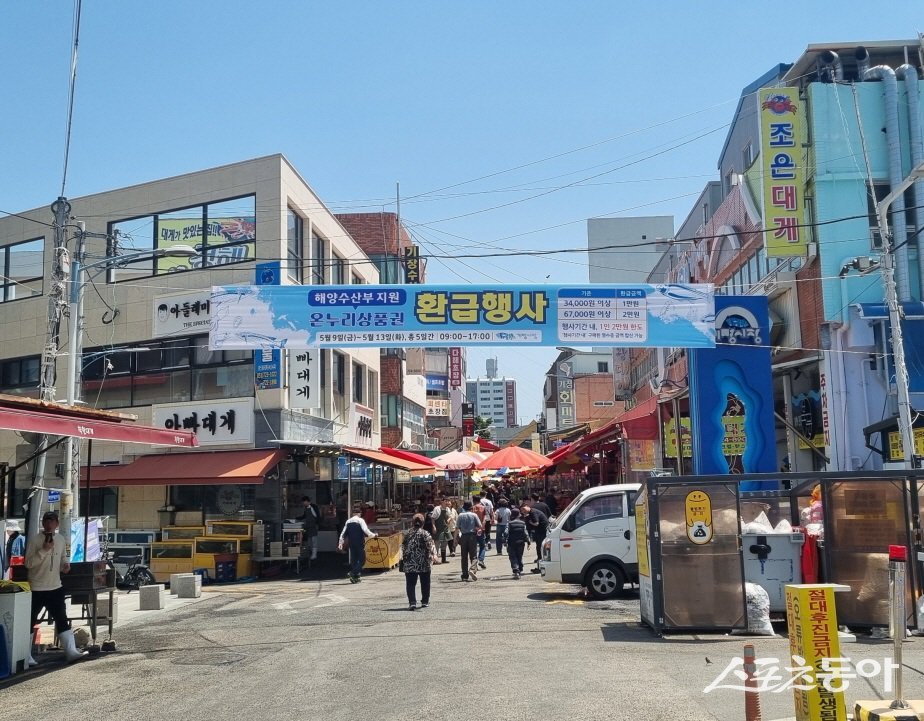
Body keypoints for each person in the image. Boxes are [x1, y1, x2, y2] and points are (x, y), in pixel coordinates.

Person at [25, 511, 87, 663]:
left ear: (57, 524)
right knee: (30, 620)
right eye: (46, 520)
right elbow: (28, 563)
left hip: (55, 586)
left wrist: (65, 566)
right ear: (42, 523)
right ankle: (25, 655)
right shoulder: (34, 540)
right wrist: (44, 550)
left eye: (52, 521)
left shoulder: (60, 539)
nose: (49, 523)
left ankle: (71, 651)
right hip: (36, 587)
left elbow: (62, 558)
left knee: (61, 618)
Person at [401, 513, 438, 610]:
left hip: (410, 562)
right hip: (423, 562)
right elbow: (430, 545)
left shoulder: (407, 533)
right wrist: (434, 555)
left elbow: (403, 547)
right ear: (422, 523)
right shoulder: (425, 533)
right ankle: (425, 601)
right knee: (425, 582)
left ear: (412, 523)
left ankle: (412, 602)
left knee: (410, 584)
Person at [338, 508, 377, 583]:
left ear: (353, 514)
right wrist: (374, 535)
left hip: (351, 543)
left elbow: (343, 533)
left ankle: (355, 578)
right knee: (362, 560)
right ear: (359, 513)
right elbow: (366, 531)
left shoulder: (348, 521)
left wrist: (340, 543)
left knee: (354, 560)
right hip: (359, 542)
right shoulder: (360, 520)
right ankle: (353, 573)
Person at [456, 501, 482, 581]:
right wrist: (475, 529)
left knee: (464, 556)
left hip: (463, 537)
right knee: (473, 555)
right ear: (471, 507)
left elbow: (457, 528)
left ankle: (464, 575)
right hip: (472, 536)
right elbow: (480, 526)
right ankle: (472, 569)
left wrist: (455, 540)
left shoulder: (460, 515)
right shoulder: (474, 515)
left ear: (463, 507)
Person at [521, 504, 549, 568]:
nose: (523, 511)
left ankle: (541, 558)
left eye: (524, 509)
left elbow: (536, 523)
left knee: (540, 545)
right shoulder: (530, 513)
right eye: (522, 511)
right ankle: (539, 557)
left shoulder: (533, 512)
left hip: (542, 530)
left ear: (528, 506)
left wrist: (530, 522)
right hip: (539, 530)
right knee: (538, 545)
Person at [506, 508, 530, 578]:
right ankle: (520, 568)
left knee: (513, 556)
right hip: (521, 543)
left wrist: (504, 541)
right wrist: (528, 541)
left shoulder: (509, 523)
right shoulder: (523, 523)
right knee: (519, 556)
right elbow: (526, 533)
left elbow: (506, 532)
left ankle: (516, 570)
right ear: (519, 515)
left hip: (511, 543)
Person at [296, 495, 321, 561]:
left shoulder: (314, 507)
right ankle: (311, 554)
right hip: (308, 526)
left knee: (314, 540)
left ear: (307, 501)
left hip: (313, 526)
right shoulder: (306, 508)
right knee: (310, 541)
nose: (303, 503)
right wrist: (297, 518)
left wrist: (317, 524)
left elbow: (317, 516)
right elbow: (304, 516)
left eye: (303, 502)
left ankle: (314, 555)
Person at [431, 499, 453, 563]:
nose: (447, 502)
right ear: (442, 502)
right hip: (438, 528)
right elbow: (433, 518)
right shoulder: (437, 509)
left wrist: (449, 519)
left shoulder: (447, 509)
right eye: (445, 501)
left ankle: (444, 559)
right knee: (437, 544)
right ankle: (435, 560)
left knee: (444, 544)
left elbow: (451, 516)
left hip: (445, 528)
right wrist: (434, 527)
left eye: (448, 501)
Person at [472, 495, 488, 569]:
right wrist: (482, 527)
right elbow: (485, 519)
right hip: (481, 529)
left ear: (473, 500)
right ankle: (481, 560)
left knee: (474, 547)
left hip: (472, 530)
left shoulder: (472, 508)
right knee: (482, 545)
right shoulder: (483, 508)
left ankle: (474, 564)